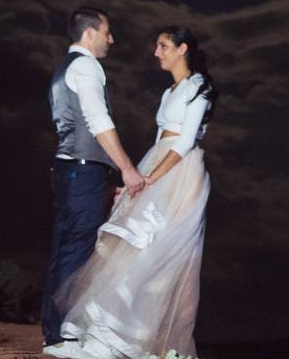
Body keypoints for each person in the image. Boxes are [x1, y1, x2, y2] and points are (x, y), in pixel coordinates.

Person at [45, 26, 216, 359]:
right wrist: (138, 179)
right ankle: (109, 336)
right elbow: (160, 140)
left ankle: (137, 341)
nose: (156, 52)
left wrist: (150, 178)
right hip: (159, 164)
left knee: (159, 253)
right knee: (132, 249)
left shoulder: (199, 87)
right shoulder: (170, 92)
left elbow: (184, 141)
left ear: (183, 49)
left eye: (164, 46)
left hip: (180, 172)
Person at [42, 7, 147, 348]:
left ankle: (55, 330)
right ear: (90, 33)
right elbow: (98, 121)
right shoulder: (87, 66)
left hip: (70, 168)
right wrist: (127, 170)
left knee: (64, 248)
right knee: (77, 250)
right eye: (107, 32)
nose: (111, 39)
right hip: (82, 169)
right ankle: (63, 334)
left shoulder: (62, 69)